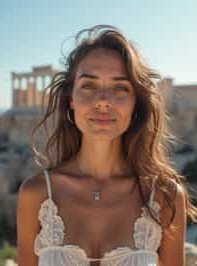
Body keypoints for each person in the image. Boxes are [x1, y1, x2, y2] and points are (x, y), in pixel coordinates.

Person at [16, 24, 197, 266]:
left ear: (135, 103)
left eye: (120, 87)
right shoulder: (35, 194)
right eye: (89, 85)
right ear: (71, 99)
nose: (102, 101)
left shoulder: (166, 196)